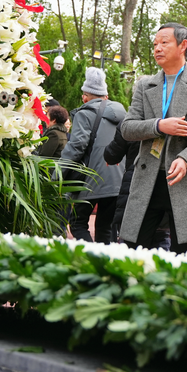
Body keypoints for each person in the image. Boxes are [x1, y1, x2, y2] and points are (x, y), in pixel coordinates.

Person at [119, 22, 187, 255]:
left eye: (164, 42)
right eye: (155, 44)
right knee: (131, 251)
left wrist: (186, 159)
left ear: (183, 45)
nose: (157, 48)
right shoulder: (145, 84)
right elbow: (127, 128)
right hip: (148, 179)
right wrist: (159, 125)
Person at [61, 67, 127, 244]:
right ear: (105, 95)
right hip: (118, 180)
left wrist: (59, 173)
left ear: (85, 96)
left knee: (77, 223)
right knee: (107, 227)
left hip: (91, 179)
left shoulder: (85, 113)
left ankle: (91, 258)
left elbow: (77, 146)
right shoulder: (123, 113)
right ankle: (107, 263)